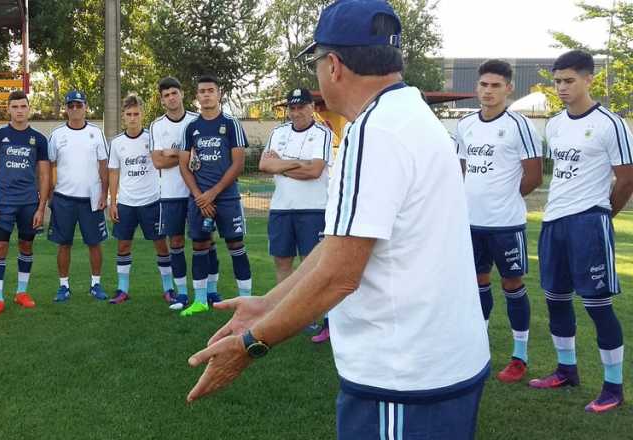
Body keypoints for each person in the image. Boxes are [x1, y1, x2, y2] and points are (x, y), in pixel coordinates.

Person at [185, 2, 491, 438]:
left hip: (403, 378)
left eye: (315, 63)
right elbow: (339, 246)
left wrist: (251, 344)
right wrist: (268, 303)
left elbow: (339, 276)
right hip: (441, 366)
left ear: (334, 65)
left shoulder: (373, 131)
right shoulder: (413, 114)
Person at [530, 49, 633, 413]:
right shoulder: (555, 124)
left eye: (569, 81)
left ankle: (613, 387)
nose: (562, 87)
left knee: (597, 306)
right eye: (557, 81)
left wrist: (602, 214)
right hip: (554, 222)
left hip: (589, 222)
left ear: (589, 79)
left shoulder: (611, 124)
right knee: (555, 300)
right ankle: (566, 371)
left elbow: (626, 179)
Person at [455, 59, 543, 383]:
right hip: (471, 223)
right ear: (477, 87)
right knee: (477, 283)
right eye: (483, 85)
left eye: (495, 86)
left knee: (512, 284)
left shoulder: (520, 125)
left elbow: (533, 175)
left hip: (506, 224)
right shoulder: (465, 125)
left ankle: (520, 356)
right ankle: (479, 346)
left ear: (508, 88)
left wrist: (504, 198)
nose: (488, 91)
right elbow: (460, 168)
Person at [258, 88, 333, 342]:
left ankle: (316, 317)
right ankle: (284, 316)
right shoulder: (277, 133)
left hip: (313, 208)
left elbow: (315, 171)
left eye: (302, 106)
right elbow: (264, 165)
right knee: (282, 262)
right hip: (281, 208)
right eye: (293, 107)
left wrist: (283, 164)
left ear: (312, 107)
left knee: (312, 267)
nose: (297, 112)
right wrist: (298, 163)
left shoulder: (323, 133)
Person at [176, 75, 253, 317]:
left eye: (211, 90)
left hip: (227, 198)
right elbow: (183, 165)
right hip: (199, 199)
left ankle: (247, 302)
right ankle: (199, 300)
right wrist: (200, 196)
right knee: (199, 244)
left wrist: (213, 193)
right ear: (197, 97)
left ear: (219, 94)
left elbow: (238, 163)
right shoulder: (191, 128)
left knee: (235, 245)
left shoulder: (231, 124)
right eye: (202, 91)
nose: (206, 94)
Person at [150, 77, 218, 309]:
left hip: (199, 193)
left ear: (182, 94)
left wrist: (174, 153)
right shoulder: (157, 126)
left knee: (206, 241)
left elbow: (204, 159)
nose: (171, 98)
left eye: (174, 93)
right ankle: (181, 294)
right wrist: (185, 156)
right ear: (162, 100)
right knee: (176, 242)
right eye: (166, 95)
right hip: (171, 194)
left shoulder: (197, 120)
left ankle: (211, 291)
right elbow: (157, 161)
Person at [0, 91, 49, 317]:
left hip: (29, 203)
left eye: (23, 106)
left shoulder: (39, 139)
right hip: (3, 203)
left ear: (28, 108)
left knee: (26, 246)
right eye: (15, 106)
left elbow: (44, 175)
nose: (19, 110)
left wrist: (41, 208)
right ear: (8, 109)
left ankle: (21, 292)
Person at [107, 94, 172, 304]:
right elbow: (114, 173)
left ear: (142, 115)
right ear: (123, 117)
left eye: (136, 114)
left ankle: (169, 289)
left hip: (152, 201)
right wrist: (113, 202)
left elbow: (164, 161)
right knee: (123, 246)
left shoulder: (151, 139)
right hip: (126, 203)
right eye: (129, 114)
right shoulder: (116, 143)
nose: (133, 118)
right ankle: (122, 290)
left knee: (161, 245)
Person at [46, 91, 109, 302]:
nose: (75, 109)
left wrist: (104, 194)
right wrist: (50, 194)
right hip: (64, 197)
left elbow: (103, 166)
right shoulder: (57, 135)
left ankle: (96, 284)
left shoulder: (95, 133)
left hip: (91, 198)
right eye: (70, 105)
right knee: (64, 243)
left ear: (86, 107)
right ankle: (63, 286)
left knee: (94, 243)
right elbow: (50, 166)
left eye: (78, 105)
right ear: (66, 108)